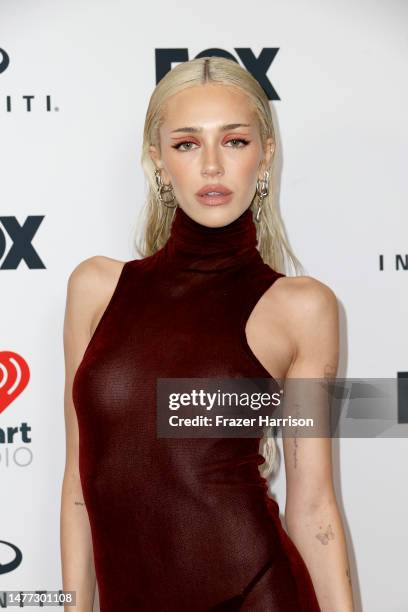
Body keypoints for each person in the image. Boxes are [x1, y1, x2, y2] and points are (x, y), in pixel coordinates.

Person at [60, 56, 355, 611]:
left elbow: (313, 508)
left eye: (236, 142)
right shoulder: (96, 289)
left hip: (257, 595)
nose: (213, 166)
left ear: (265, 155)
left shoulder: (301, 307)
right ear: (158, 161)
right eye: (188, 144)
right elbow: (79, 486)